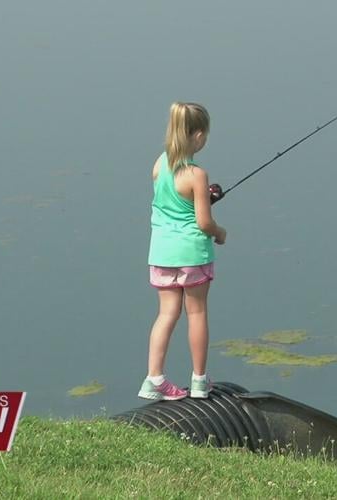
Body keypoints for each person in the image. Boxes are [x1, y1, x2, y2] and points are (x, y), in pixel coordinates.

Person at [138, 102, 226, 400]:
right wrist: (220, 233)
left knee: (166, 314)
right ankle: (200, 381)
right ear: (198, 135)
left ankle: (154, 379)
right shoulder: (196, 174)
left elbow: (173, 202)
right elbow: (203, 222)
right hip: (192, 255)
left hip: (161, 254)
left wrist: (204, 198)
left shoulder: (159, 164)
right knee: (197, 313)